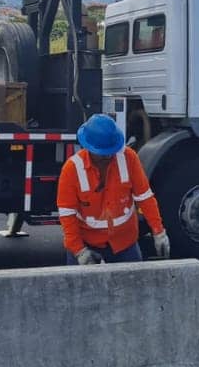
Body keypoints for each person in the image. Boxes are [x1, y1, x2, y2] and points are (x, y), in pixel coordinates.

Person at [57, 113, 170, 265]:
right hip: (87, 244)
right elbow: (67, 215)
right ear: (88, 147)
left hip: (125, 244)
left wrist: (158, 231)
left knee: (132, 287)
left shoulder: (129, 158)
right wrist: (79, 251)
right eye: (102, 153)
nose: (108, 156)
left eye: (111, 151)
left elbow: (145, 198)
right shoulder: (72, 169)